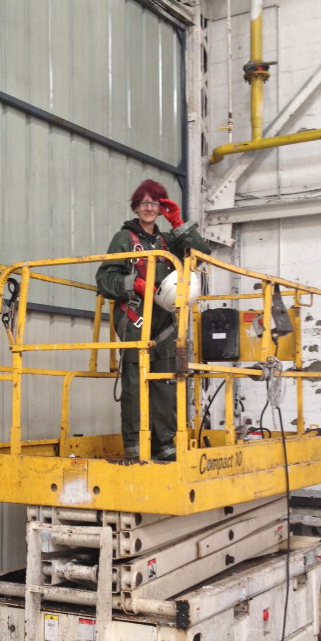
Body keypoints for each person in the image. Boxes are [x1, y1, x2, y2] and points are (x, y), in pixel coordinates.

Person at [95, 179, 210, 461]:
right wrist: (135, 284)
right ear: (135, 206)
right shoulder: (124, 239)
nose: (149, 207)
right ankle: (135, 444)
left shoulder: (167, 241)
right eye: (144, 202)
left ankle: (165, 443)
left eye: (155, 203)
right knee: (135, 381)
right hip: (135, 318)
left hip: (165, 321)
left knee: (166, 380)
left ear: (161, 208)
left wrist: (178, 222)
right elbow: (104, 279)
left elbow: (202, 255)